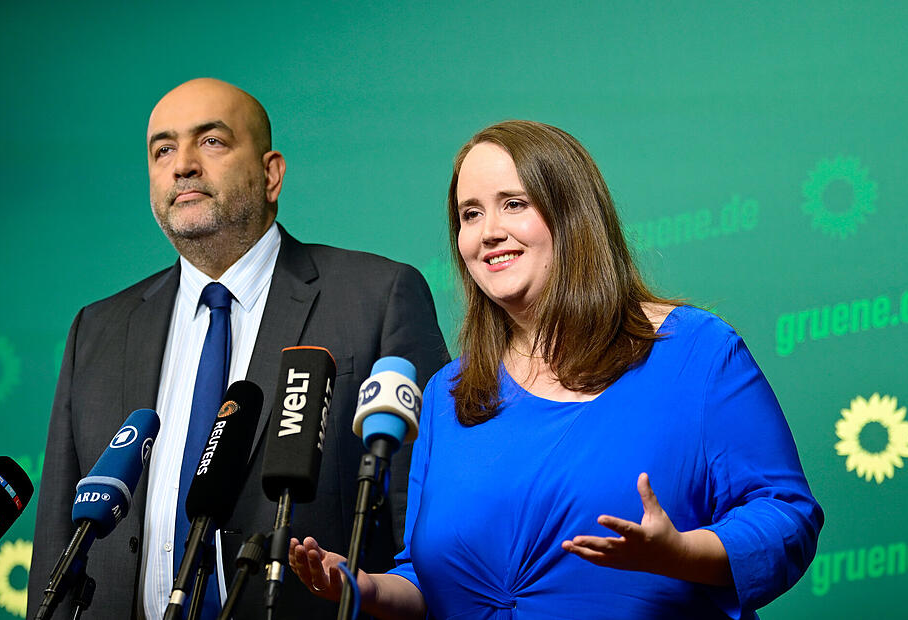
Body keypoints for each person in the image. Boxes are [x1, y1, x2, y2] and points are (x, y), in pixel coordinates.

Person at [289, 120, 822, 619]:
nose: (488, 232)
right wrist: (364, 587)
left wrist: (681, 554)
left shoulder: (695, 350)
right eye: (470, 214)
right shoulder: (448, 393)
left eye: (513, 204)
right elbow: (428, 579)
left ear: (573, 215)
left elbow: (786, 516)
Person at [27, 78, 449, 620]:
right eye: (163, 150)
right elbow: (59, 539)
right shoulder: (98, 329)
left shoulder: (377, 298)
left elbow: (428, 527)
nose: (183, 165)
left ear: (271, 174)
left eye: (211, 141)